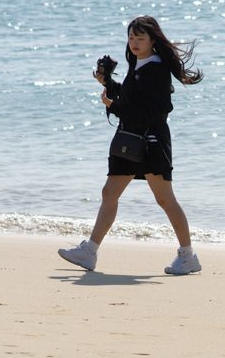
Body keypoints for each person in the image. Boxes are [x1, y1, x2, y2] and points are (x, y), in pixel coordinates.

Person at [58, 16, 205, 275]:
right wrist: (109, 85)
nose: (135, 43)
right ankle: (90, 252)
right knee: (109, 194)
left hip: (150, 143)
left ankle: (188, 256)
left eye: (140, 38)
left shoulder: (156, 69)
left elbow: (151, 112)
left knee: (165, 199)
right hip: (129, 141)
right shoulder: (138, 64)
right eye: (131, 38)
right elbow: (131, 99)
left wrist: (114, 107)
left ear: (152, 40)